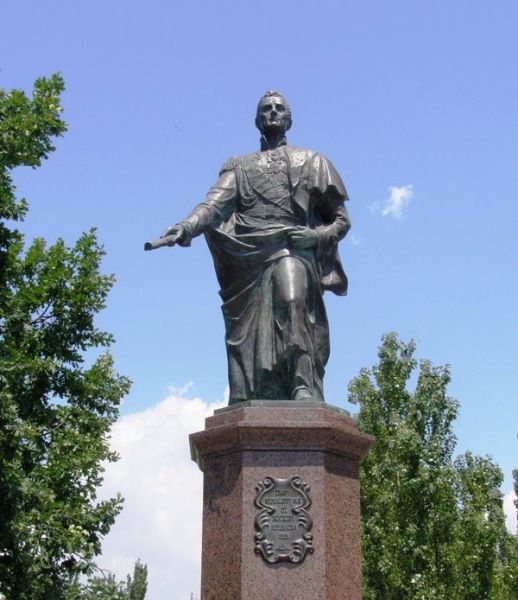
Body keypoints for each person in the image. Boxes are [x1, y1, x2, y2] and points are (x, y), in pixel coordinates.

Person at [160, 91, 350, 404]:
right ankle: (254, 391)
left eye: (279, 108)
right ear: (256, 119)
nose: (272, 112)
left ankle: (302, 385)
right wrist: (187, 226)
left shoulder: (312, 161)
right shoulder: (240, 167)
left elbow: (341, 220)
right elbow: (213, 206)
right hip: (247, 256)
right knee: (242, 335)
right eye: (266, 109)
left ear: (289, 118)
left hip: (291, 248)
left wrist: (315, 238)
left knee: (292, 300)